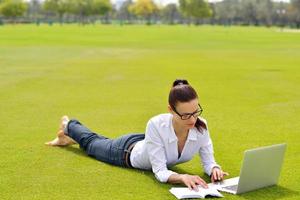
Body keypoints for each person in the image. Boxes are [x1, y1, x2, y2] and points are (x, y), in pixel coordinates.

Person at [45, 79, 228, 191]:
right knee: (93, 144)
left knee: (97, 142)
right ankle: (68, 125)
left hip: (148, 143)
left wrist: (214, 169)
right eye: (186, 115)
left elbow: (208, 161)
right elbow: (160, 172)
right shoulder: (156, 124)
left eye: (196, 112)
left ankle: (66, 137)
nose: (193, 119)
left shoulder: (201, 125)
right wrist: (182, 177)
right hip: (126, 151)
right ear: (170, 110)